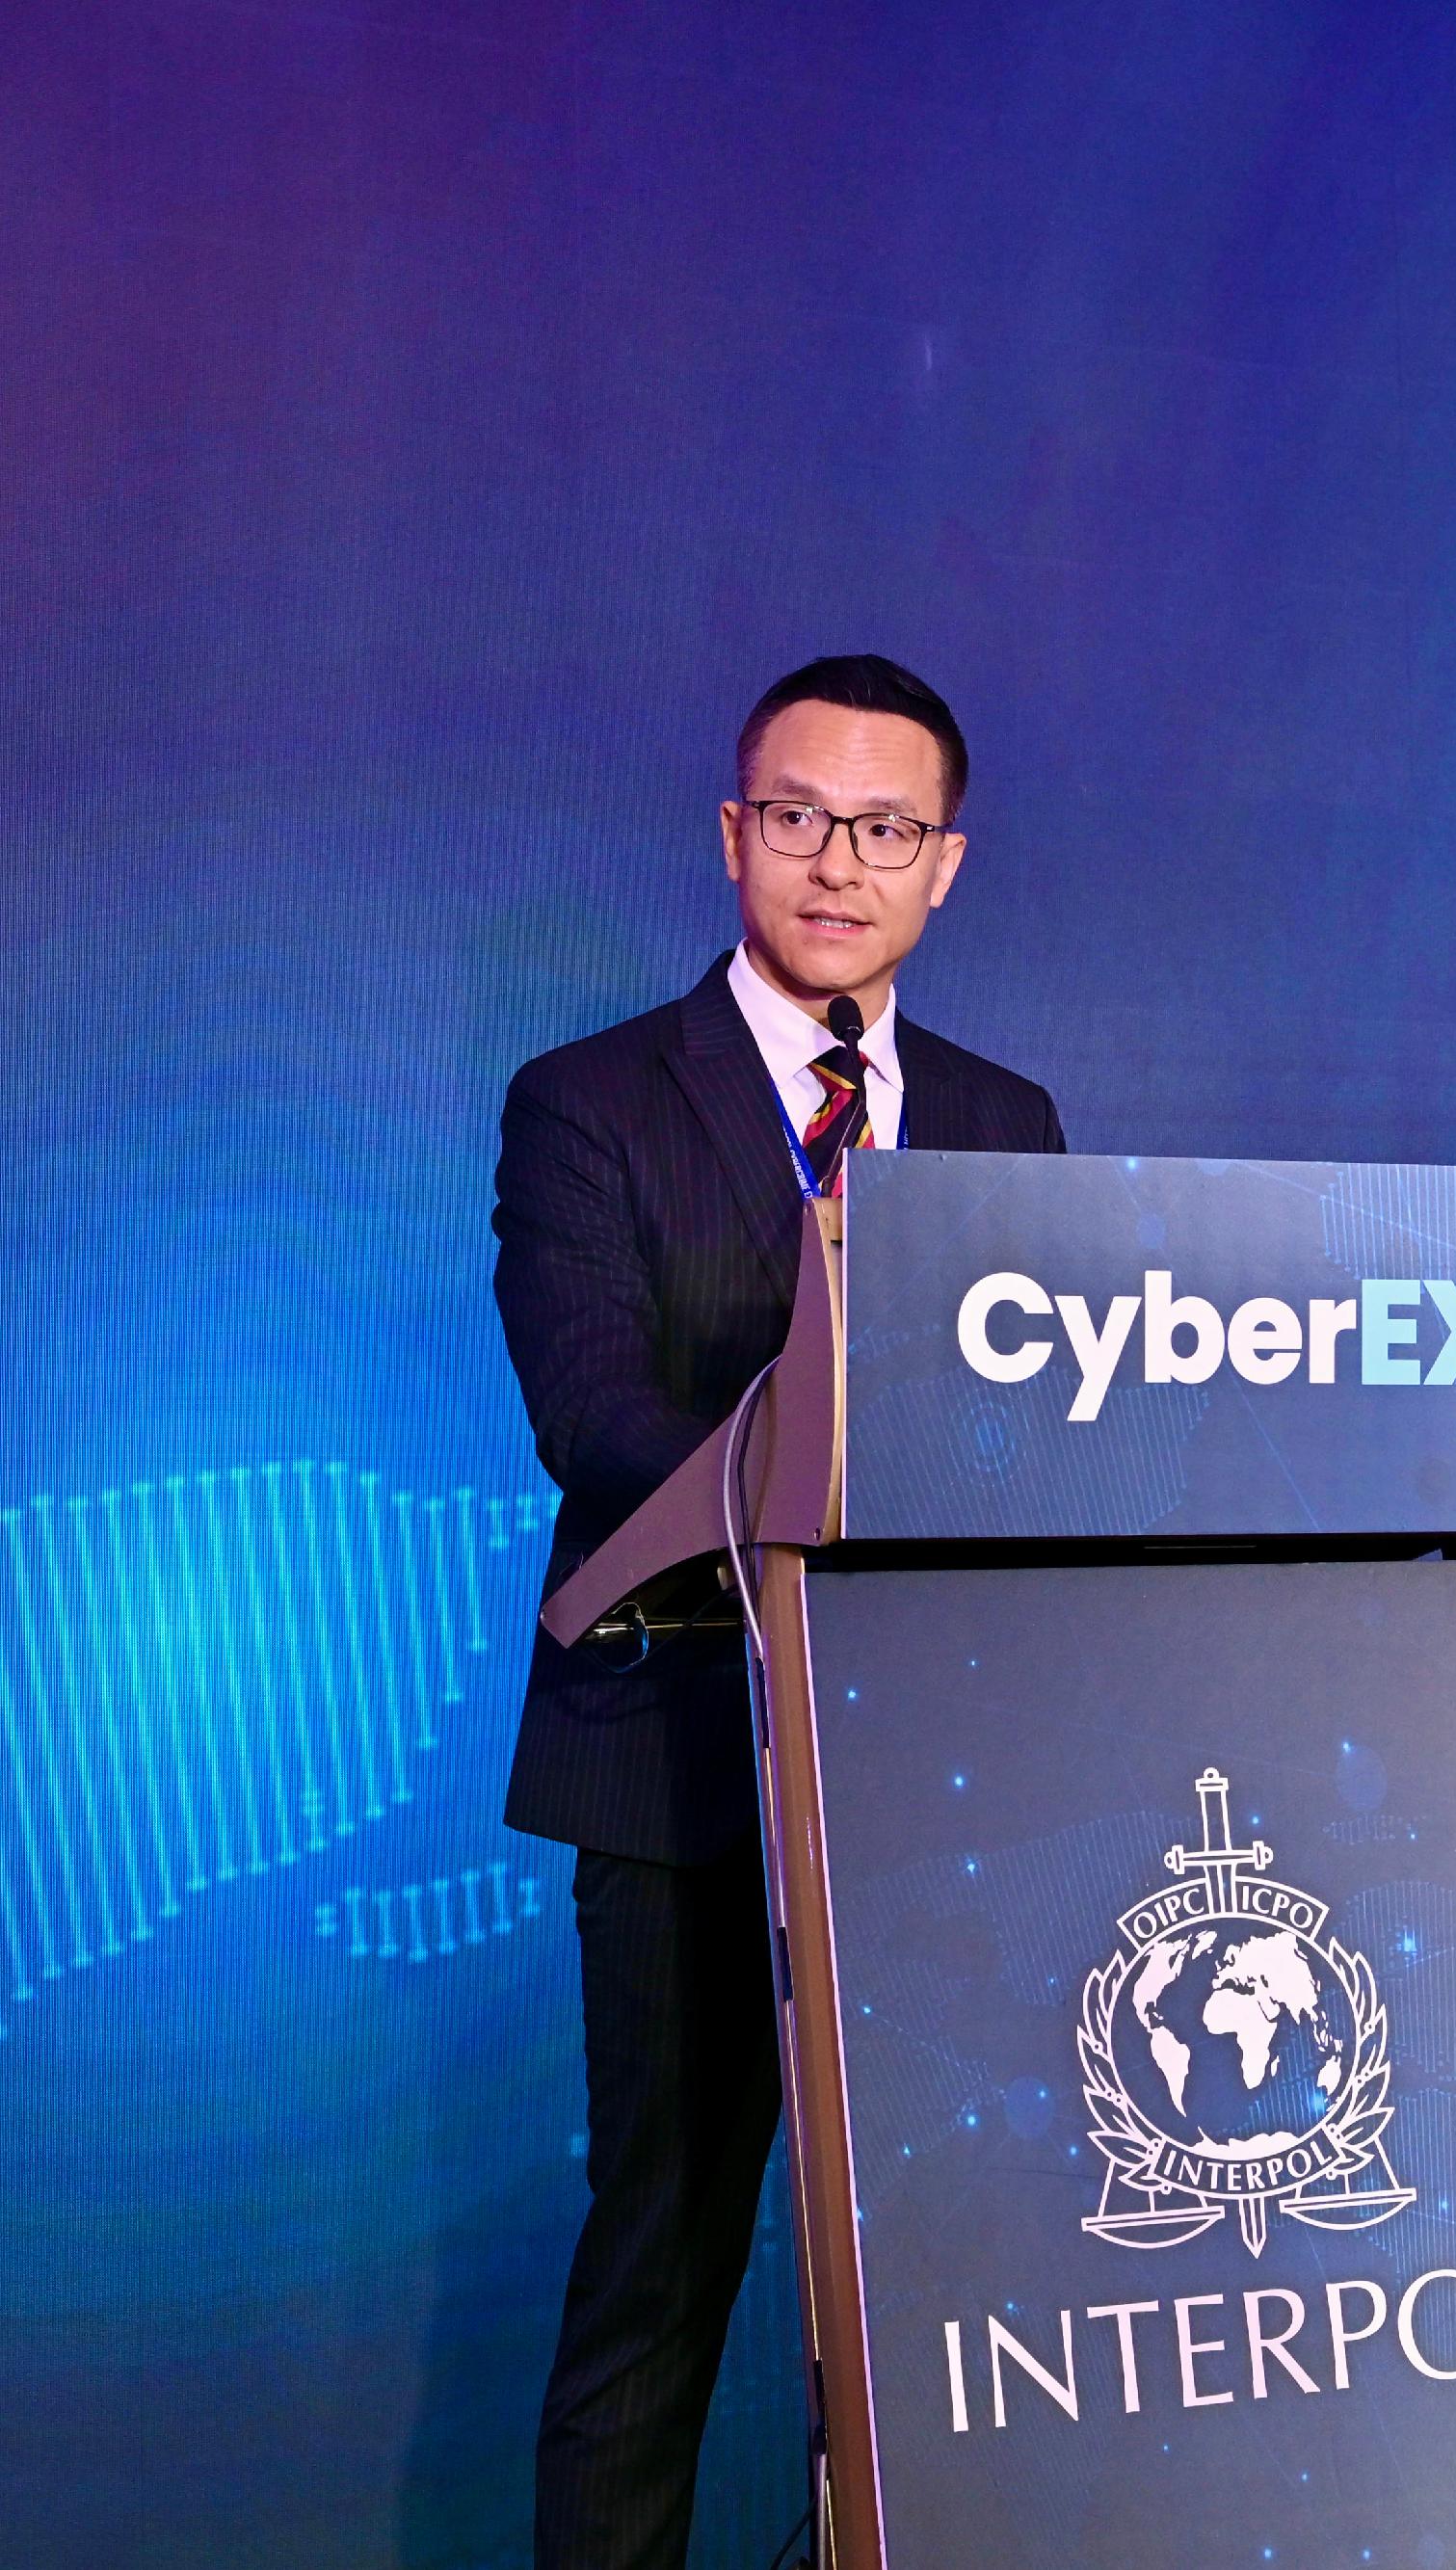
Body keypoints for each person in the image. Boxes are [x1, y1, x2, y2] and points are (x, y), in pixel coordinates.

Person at [494, 654, 1066, 2568]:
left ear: (945, 865)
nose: (840, 861)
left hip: (942, 1787)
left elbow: (1054, 1437)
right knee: (663, 2268)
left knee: (941, 2288)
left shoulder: (1005, 1119)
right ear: (736, 833)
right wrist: (845, 1495)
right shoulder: (584, 1104)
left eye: (884, 827)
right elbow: (601, 1421)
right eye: (800, 816)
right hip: (676, 1770)